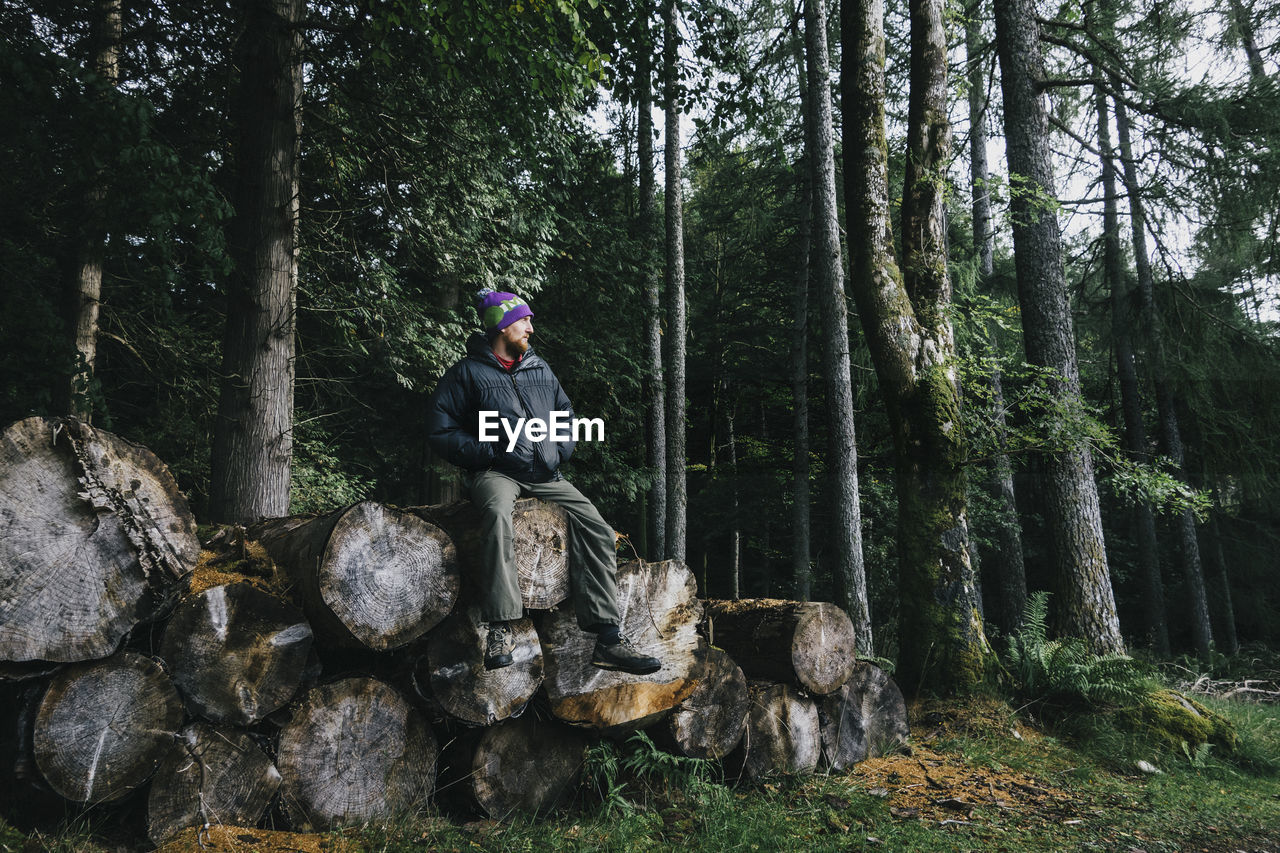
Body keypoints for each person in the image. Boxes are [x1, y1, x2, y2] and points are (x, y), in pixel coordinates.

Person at [426, 288, 662, 675]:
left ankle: (607, 639)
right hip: (496, 471)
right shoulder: (466, 374)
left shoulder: (540, 368)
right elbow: (440, 432)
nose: (531, 328)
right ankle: (500, 628)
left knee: (599, 529)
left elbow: (565, 412)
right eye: (524, 320)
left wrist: (560, 447)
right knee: (498, 515)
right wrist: (487, 451)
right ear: (503, 325)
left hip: (547, 474)